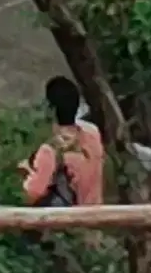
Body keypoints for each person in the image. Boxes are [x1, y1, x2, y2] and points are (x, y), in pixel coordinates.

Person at [23, 76, 107, 209]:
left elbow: (32, 194)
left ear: (50, 109)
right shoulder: (92, 134)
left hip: (69, 223)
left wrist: (27, 171)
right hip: (95, 217)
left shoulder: (50, 150)